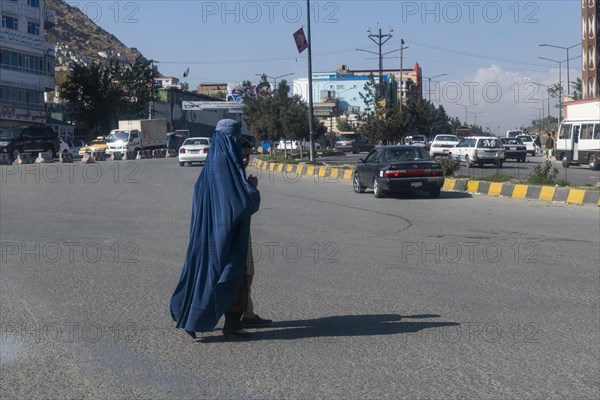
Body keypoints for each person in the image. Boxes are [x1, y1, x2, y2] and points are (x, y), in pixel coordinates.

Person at [169, 119, 261, 339]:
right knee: (230, 275)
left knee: (202, 276)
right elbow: (241, 203)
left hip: (205, 235)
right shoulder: (227, 167)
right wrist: (252, 188)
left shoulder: (212, 165)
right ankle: (231, 326)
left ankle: (192, 319)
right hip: (226, 237)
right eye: (235, 139)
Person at [239, 140, 273, 328]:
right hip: (235, 235)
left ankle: (248, 314)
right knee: (243, 273)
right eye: (241, 155)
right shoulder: (232, 175)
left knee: (246, 273)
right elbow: (243, 206)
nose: (245, 159)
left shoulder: (236, 172)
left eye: (247, 155)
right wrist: (252, 187)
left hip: (243, 232)